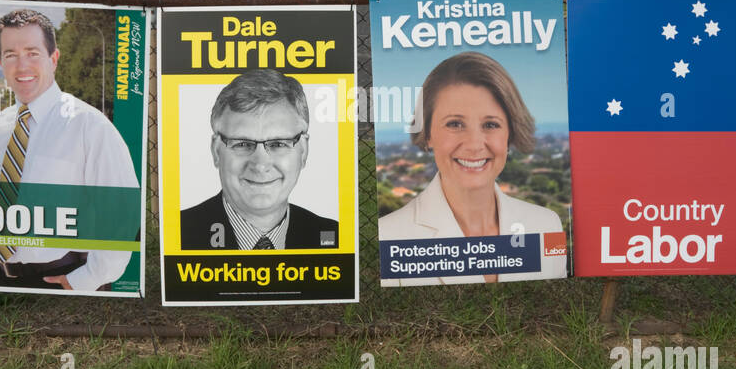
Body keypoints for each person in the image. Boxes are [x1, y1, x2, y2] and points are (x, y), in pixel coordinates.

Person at [0, 9, 139, 290]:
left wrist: (86, 279)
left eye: (33, 53)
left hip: (61, 279)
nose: (22, 66)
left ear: (54, 58)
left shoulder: (88, 124)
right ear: (0, 62)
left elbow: (121, 210)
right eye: (11, 54)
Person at [378, 51, 566, 285]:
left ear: (510, 134)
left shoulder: (547, 225)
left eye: (491, 124)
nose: (475, 145)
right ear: (427, 134)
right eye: (455, 124)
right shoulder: (389, 235)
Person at [180, 69, 338, 250]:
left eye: (278, 144)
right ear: (216, 151)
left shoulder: (331, 235)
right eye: (242, 144)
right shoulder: (178, 234)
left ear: (303, 151)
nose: (260, 165)